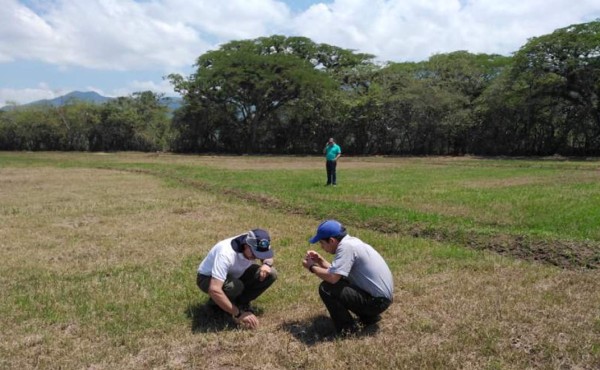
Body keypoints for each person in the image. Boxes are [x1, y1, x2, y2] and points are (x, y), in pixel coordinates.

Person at [302, 220, 393, 336]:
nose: (321, 247)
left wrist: (311, 267)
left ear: (331, 240)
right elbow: (337, 272)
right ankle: (369, 318)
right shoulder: (351, 243)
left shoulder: (346, 247)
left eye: (322, 243)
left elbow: (332, 277)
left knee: (327, 288)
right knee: (341, 280)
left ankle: (347, 331)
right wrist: (320, 260)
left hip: (376, 302)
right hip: (381, 299)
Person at [196, 228, 277, 329]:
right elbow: (214, 289)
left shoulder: (256, 241)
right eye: (255, 254)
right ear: (246, 246)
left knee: (271, 273)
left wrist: (267, 264)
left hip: (236, 273)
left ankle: (241, 303)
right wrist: (238, 314)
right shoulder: (225, 254)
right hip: (207, 277)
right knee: (234, 286)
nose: (256, 257)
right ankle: (215, 309)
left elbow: (268, 256)